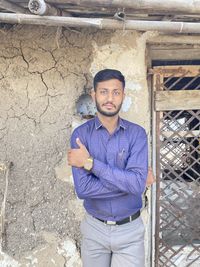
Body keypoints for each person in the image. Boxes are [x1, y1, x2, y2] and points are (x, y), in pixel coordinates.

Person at [68, 69, 152, 267]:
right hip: (94, 230)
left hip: (130, 231)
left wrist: (90, 164)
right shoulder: (81, 136)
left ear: (123, 95)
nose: (109, 98)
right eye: (104, 91)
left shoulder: (137, 134)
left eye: (116, 92)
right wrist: (131, 183)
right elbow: (84, 190)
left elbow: (137, 185)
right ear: (94, 95)